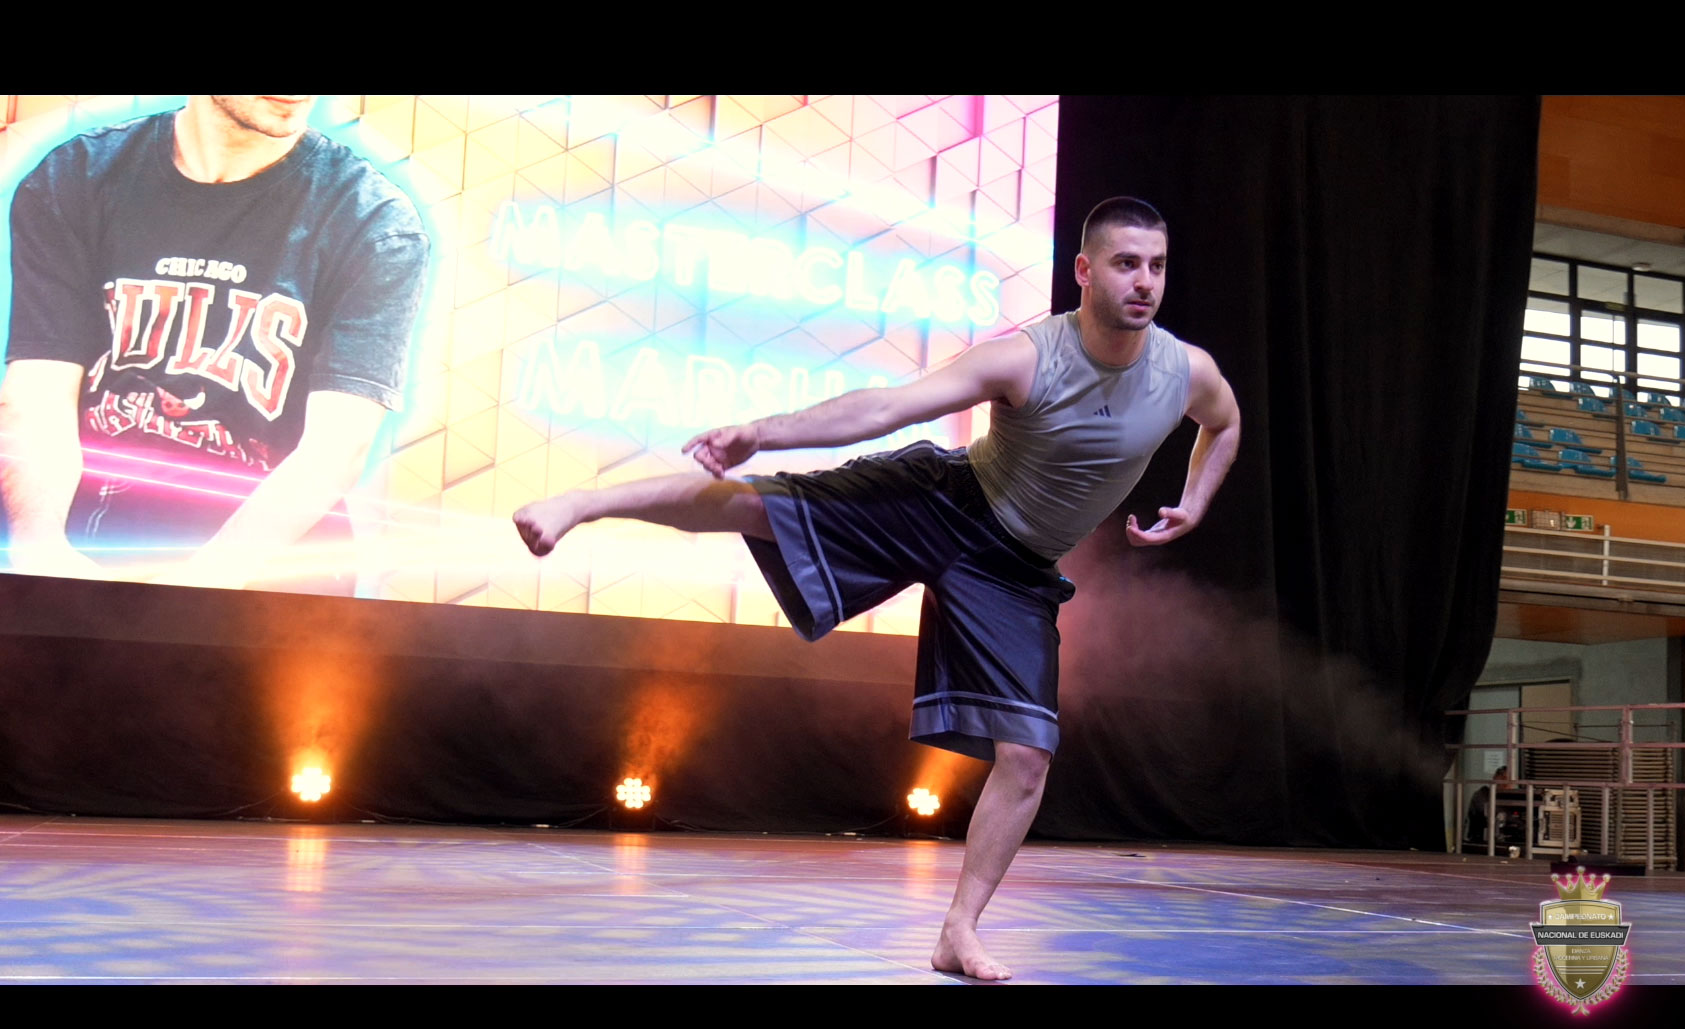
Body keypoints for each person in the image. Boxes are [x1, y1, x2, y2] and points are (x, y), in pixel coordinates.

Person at [514, 196, 1242, 980]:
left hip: (1017, 568)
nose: (1144, 282)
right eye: (1126, 264)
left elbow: (1225, 423)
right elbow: (889, 407)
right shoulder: (1027, 359)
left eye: (1157, 266)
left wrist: (1194, 504)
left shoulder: (1183, 371)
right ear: (1085, 270)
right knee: (761, 510)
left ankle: (957, 931)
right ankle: (582, 504)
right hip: (945, 506)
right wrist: (765, 431)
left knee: (1028, 757)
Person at [0, 95, 429, 593]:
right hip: (73, 478)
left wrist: (209, 583)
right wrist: (38, 550)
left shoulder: (374, 222)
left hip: (253, 515)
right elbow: (38, 391)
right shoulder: (76, 178)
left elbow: (335, 450)